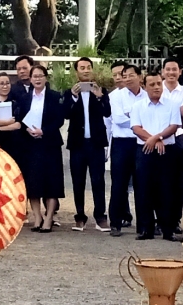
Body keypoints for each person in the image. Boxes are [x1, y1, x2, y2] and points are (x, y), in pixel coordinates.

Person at [130, 69, 181, 240]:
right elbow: (136, 128)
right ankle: (146, 229)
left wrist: (158, 137)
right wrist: (152, 140)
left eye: (159, 83)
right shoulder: (138, 106)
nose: (157, 87)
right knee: (144, 189)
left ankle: (168, 229)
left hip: (167, 150)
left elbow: (174, 126)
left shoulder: (172, 104)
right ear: (144, 87)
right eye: (152, 84)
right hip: (145, 150)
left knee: (167, 190)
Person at [63, 57, 111, 232]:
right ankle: (80, 217)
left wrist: (99, 98)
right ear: (76, 71)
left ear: (92, 70)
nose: (85, 70)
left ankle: (101, 217)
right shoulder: (69, 93)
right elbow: (65, 114)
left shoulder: (101, 91)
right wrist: (74, 98)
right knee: (78, 181)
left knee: (98, 180)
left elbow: (107, 112)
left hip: (96, 143)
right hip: (77, 144)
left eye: (88, 67)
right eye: (82, 68)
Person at [19, 64, 65, 231]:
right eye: (34, 76)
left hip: (50, 143)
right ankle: (37, 216)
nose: (37, 79)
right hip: (30, 145)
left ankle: (49, 217)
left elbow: (59, 120)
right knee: (33, 182)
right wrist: (27, 129)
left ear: (46, 78)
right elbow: (20, 118)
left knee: (52, 181)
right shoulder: (25, 98)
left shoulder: (54, 96)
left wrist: (43, 131)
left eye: (40, 76)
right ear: (30, 79)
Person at [107, 64, 146, 237]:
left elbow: (151, 117)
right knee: (119, 184)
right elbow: (118, 119)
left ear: (139, 76)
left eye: (131, 75)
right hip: (121, 143)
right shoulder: (115, 96)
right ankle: (115, 223)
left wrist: (131, 115)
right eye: (125, 75)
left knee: (142, 184)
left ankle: (144, 225)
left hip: (141, 142)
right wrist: (138, 118)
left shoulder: (147, 95)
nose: (127, 78)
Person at [161, 58, 183, 236]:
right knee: (160, 181)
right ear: (163, 72)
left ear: (180, 72)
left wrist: (171, 111)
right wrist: (175, 111)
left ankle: (176, 220)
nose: (171, 73)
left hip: (180, 138)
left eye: (175, 69)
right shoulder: (158, 89)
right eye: (168, 70)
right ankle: (161, 220)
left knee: (178, 182)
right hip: (160, 137)